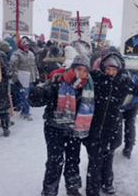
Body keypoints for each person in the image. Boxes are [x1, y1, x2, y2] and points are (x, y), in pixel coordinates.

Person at [29, 54, 94, 196]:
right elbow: (36, 101)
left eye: (85, 70)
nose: (81, 73)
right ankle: (49, 191)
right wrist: (37, 91)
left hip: (74, 129)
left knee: (73, 160)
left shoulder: (89, 86)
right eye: (78, 69)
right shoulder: (59, 80)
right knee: (55, 161)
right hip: (54, 127)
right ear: (72, 68)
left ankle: (72, 187)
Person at [85, 50, 138, 196]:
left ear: (119, 69)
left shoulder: (124, 81)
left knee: (109, 155)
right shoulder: (96, 78)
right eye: (108, 68)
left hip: (113, 125)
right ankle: (93, 188)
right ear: (103, 67)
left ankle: (107, 183)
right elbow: (80, 75)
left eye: (114, 69)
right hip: (95, 124)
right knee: (95, 159)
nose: (111, 72)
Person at [10, 36, 39, 121]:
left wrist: (37, 76)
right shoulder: (16, 54)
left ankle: (24, 111)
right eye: (24, 45)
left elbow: (34, 66)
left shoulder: (31, 53)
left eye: (27, 45)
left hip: (30, 78)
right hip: (22, 79)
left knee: (26, 96)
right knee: (24, 96)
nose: (27, 46)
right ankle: (26, 112)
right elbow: (13, 68)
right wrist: (16, 79)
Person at [121, 70, 138, 159]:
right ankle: (128, 147)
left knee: (126, 124)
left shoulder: (131, 74)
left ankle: (127, 147)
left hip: (129, 104)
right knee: (129, 124)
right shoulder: (136, 73)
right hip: (132, 103)